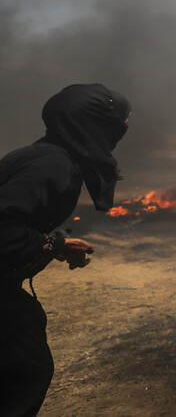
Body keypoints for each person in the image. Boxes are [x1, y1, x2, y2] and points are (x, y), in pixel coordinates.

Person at [0, 84, 131, 416]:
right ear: (95, 126)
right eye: (116, 126)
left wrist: (58, 245)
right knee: (27, 368)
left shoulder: (43, 154)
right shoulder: (57, 165)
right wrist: (53, 244)